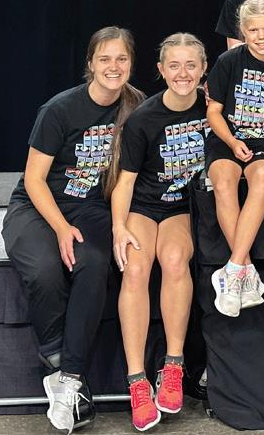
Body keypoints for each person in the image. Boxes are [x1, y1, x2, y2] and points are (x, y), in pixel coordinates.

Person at [2, 27, 144, 434]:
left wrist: (119, 225)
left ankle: (70, 378)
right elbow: (33, 179)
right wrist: (61, 227)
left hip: (92, 208)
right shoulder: (60, 109)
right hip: (38, 205)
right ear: (90, 64)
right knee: (46, 268)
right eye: (105, 59)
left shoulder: (135, 107)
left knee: (95, 263)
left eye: (121, 59)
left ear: (131, 64)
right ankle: (57, 361)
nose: (113, 67)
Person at [109, 33, 208, 432]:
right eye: (174, 65)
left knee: (174, 259)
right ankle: (137, 380)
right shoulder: (143, 119)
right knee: (135, 269)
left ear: (203, 70)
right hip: (144, 206)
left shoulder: (213, 109)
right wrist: (118, 227)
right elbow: (126, 181)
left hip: (182, 208)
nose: (183, 73)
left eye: (191, 65)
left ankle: (173, 365)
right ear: (161, 70)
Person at [207, 0, 264, 316]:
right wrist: (232, 142)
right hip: (227, 138)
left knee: (262, 178)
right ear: (243, 31)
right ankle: (246, 269)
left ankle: (232, 269)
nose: (260, 36)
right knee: (224, 181)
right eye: (253, 30)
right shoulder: (229, 61)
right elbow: (213, 112)